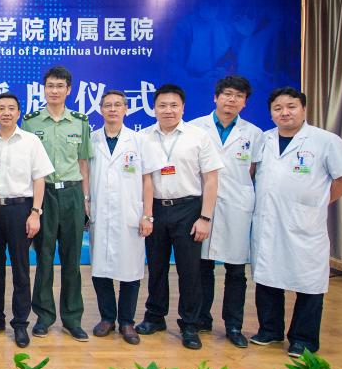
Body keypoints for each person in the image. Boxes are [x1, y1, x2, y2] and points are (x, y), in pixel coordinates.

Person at [250, 87, 342, 357]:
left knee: (308, 282)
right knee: (267, 276)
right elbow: (254, 172)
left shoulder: (325, 141)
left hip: (305, 224)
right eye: (278, 108)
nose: (284, 113)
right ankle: (269, 330)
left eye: (291, 106)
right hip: (268, 221)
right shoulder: (264, 139)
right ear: (271, 113)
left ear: (303, 109)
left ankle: (303, 339)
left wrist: (319, 201)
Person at [136, 84, 223, 350]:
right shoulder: (143, 137)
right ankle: (155, 316)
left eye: (174, 105)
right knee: (157, 266)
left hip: (188, 209)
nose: (168, 110)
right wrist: (146, 214)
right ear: (154, 108)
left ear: (183, 108)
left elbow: (211, 179)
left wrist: (205, 217)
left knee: (190, 269)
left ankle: (190, 324)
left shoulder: (198, 137)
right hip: (156, 208)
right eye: (162, 105)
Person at [188, 75, 263, 348]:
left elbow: (252, 171)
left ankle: (233, 325)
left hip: (236, 207)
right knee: (202, 266)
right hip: (202, 206)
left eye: (239, 96)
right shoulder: (196, 128)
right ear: (216, 97)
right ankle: (201, 318)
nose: (232, 100)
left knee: (236, 270)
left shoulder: (253, 134)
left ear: (245, 102)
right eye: (228, 94)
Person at [19, 66, 92, 341]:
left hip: (72, 194)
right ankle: (44, 317)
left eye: (60, 86)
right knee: (45, 258)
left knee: (72, 260)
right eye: (50, 86)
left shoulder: (80, 122)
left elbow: (83, 163)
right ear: (44, 89)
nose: (54, 91)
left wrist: (85, 199)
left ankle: (72, 318)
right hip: (44, 195)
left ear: (69, 90)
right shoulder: (31, 122)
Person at [0, 93, 53, 348]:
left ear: (19, 113)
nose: (6, 112)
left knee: (21, 270)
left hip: (21, 210)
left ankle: (20, 323)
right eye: (1, 108)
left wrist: (35, 212)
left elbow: (39, 179)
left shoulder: (30, 141)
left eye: (11, 108)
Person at [87, 90, 163, 345]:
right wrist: (87, 202)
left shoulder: (139, 140)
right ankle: (107, 318)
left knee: (130, 270)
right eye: (107, 105)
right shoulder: (92, 139)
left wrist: (148, 215)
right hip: (100, 212)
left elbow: (148, 181)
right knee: (100, 269)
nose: (112, 109)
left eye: (117, 105)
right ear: (100, 110)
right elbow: (85, 172)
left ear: (126, 109)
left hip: (130, 213)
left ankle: (127, 321)